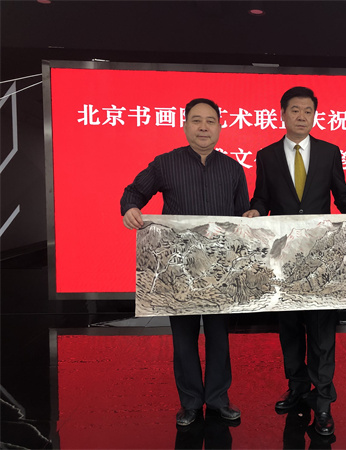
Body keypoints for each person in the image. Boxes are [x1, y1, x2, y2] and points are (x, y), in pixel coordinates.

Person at [243, 86, 346, 436]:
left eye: (308, 111)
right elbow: (262, 196)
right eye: (295, 110)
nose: (302, 116)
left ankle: (324, 398)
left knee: (322, 329)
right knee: (289, 327)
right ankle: (297, 387)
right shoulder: (267, 155)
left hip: (319, 254)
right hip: (283, 255)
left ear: (315, 115)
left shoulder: (329, 152)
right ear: (282, 114)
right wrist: (255, 210)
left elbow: (341, 192)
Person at [120, 98, 250, 427]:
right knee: (184, 338)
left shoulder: (233, 169)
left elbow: (242, 218)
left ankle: (218, 399)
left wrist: (252, 218)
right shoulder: (165, 164)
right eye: (196, 120)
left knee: (219, 337)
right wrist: (130, 208)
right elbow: (133, 192)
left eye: (210, 121)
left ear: (219, 127)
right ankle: (190, 402)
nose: (203, 127)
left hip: (220, 269)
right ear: (185, 126)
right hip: (179, 269)